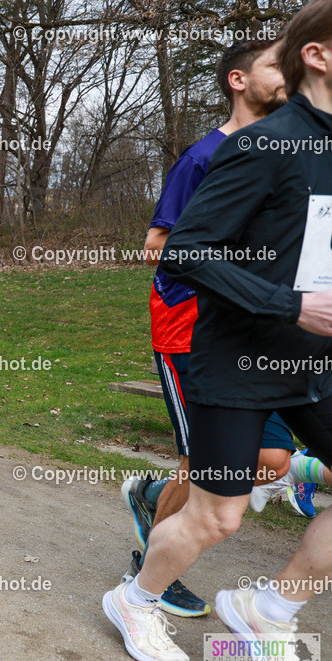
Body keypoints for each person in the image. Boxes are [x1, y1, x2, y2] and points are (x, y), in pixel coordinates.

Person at [104, 5, 332, 661]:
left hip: (316, 360)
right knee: (219, 516)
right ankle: (134, 598)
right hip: (236, 356)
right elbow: (183, 251)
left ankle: (267, 613)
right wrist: (288, 304)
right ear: (317, 56)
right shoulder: (266, 143)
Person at [122, 38, 294, 619]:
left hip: (255, 336)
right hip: (189, 331)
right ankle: (147, 570)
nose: (289, 71)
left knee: (271, 460)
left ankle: (150, 497)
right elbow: (156, 247)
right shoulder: (203, 157)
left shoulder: (284, 153)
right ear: (239, 81)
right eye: (277, 63)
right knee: (206, 466)